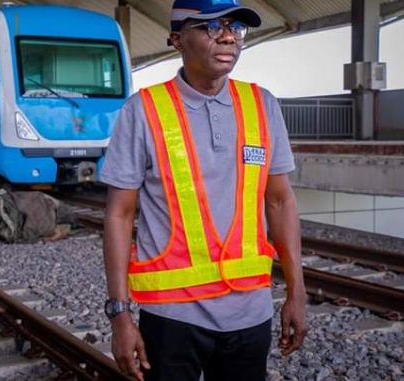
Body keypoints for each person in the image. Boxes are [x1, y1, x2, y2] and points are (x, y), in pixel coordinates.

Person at [100, 1, 307, 380]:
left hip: (251, 314)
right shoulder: (143, 111)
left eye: (235, 27)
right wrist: (120, 314)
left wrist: (296, 292)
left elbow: (279, 201)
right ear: (176, 40)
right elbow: (119, 214)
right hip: (171, 318)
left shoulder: (262, 105)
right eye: (212, 27)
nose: (228, 36)